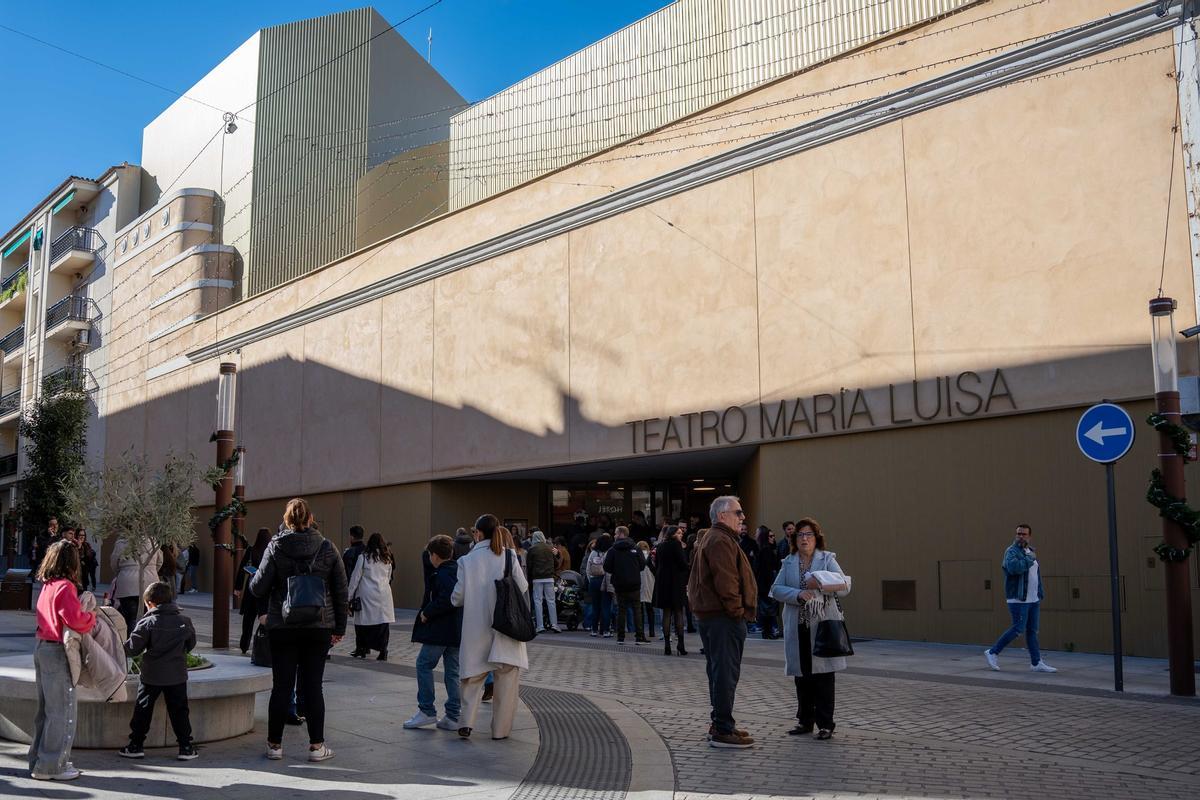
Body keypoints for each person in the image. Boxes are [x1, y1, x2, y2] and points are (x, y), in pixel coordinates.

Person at [250, 497, 348, 762]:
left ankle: (274, 745)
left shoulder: (275, 547)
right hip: (318, 626)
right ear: (310, 518)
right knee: (314, 686)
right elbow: (340, 589)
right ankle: (317, 747)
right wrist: (339, 626)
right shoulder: (328, 547)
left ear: (286, 519)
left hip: (282, 626)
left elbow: (258, 588)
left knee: (281, 686)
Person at [770, 517, 851, 741]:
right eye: (800, 535)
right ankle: (805, 721)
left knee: (824, 677)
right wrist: (796, 594)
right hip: (798, 627)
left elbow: (845, 585)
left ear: (817, 538)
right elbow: (775, 589)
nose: (804, 539)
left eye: (808, 535)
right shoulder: (788, 561)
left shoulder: (827, 559)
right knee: (802, 676)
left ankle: (826, 724)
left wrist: (821, 584)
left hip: (822, 626)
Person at [688, 495, 756, 748]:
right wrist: (737, 611)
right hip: (723, 618)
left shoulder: (717, 538)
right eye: (738, 512)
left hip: (717, 617)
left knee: (720, 672)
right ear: (722, 516)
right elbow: (726, 581)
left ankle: (721, 723)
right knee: (725, 673)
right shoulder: (719, 540)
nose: (742, 517)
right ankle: (722, 729)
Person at [452, 513, 529, 739]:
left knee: (472, 677)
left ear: (478, 533)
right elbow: (522, 586)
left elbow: (457, 598)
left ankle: (466, 723)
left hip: (476, 628)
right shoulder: (508, 556)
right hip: (506, 627)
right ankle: (500, 731)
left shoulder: (466, 561)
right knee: (506, 679)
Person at [28, 540, 96, 781]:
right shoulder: (65, 587)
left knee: (46, 710)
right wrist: (91, 617)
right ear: (72, 562)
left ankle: (40, 759)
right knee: (63, 710)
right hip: (57, 651)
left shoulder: (47, 585)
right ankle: (51, 766)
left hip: (42, 647)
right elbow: (75, 619)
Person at [119, 581, 198, 760]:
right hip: (177, 675)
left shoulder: (147, 622)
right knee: (180, 711)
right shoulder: (184, 621)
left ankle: (136, 745)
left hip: (151, 675)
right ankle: (185, 746)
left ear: (150, 603)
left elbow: (133, 648)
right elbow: (190, 644)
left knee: (143, 710)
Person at [405, 535, 462, 731]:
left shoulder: (442, 574)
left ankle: (427, 710)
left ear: (435, 556)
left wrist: (427, 612)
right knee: (453, 671)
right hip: (456, 629)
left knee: (423, 664)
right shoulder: (458, 570)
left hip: (440, 629)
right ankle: (454, 715)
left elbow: (447, 599)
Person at [985, 524, 1056, 673]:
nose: (1021, 536)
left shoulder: (1030, 551)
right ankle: (993, 652)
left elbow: (1035, 576)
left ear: (1029, 536)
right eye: (1018, 534)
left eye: (1024, 534)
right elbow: (1014, 568)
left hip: (1033, 599)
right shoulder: (1011, 552)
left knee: (1032, 631)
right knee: (1018, 629)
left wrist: (1039, 593)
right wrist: (1029, 559)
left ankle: (1036, 663)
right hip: (1018, 599)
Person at [347, 533, 396, 660]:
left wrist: (349, 596)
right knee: (382, 624)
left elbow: (355, 578)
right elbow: (389, 577)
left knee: (362, 622)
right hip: (384, 594)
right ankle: (383, 650)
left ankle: (361, 649)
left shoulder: (363, 558)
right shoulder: (387, 559)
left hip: (366, 594)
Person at [605, 526, 648, 645]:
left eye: (615, 533)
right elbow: (643, 564)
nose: (614, 536)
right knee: (637, 609)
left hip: (619, 583)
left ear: (621, 534)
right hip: (634, 582)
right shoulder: (635, 548)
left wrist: (617, 570)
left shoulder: (613, 550)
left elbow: (606, 567)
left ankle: (620, 637)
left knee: (621, 609)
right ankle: (639, 636)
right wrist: (633, 570)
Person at [111, 538, 164, 632]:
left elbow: (114, 563)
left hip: (127, 583)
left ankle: (133, 642)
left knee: (130, 618)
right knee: (149, 616)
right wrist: (151, 572)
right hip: (150, 582)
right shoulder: (153, 542)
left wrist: (122, 573)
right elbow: (159, 562)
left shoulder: (121, 543)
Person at [653, 524, 689, 656]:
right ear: (673, 534)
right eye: (679, 533)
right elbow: (682, 563)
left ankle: (667, 645)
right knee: (679, 612)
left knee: (666, 613)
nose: (681, 535)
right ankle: (681, 644)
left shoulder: (661, 545)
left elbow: (657, 563)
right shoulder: (676, 545)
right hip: (675, 581)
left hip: (663, 581)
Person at [235, 528, 272, 654]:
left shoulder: (251, 550)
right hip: (266, 591)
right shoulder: (272, 551)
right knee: (265, 618)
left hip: (252, 589)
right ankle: (265, 644)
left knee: (248, 620)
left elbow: (242, 568)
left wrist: (238, 587)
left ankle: (244, 645)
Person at [526, 530, 561, 633]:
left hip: (537, 578)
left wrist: (529, 579)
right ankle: (554, 624)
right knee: (551, 601)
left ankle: (540, 626)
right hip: (549, 577)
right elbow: (556, 563)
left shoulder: (532, 549)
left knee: (538, 601)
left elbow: (529, 565)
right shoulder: (549, 548)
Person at [754, 526, 782, 639]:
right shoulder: (765, 549)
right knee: (767, 609)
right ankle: (767, 631)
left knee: (766, 609)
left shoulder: (764, 550)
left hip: (765, 584)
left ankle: (767, 631)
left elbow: (766, 570)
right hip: (765, 584)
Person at [585, 535, 613, 638]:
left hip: (594, 581)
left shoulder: (593, 553)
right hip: (605, 581)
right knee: (606, 606)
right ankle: (606, 630)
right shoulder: (609, 553)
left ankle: (594, 630)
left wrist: (591, 579)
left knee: (595, 606)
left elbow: (588, 569)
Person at [636, 540, 657, 640]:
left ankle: (640, 631)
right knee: (650, 609)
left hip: (639, 584)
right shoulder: (651, 557)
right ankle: (652, 631)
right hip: (651, 584)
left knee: (639, 610)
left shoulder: (636, 557)